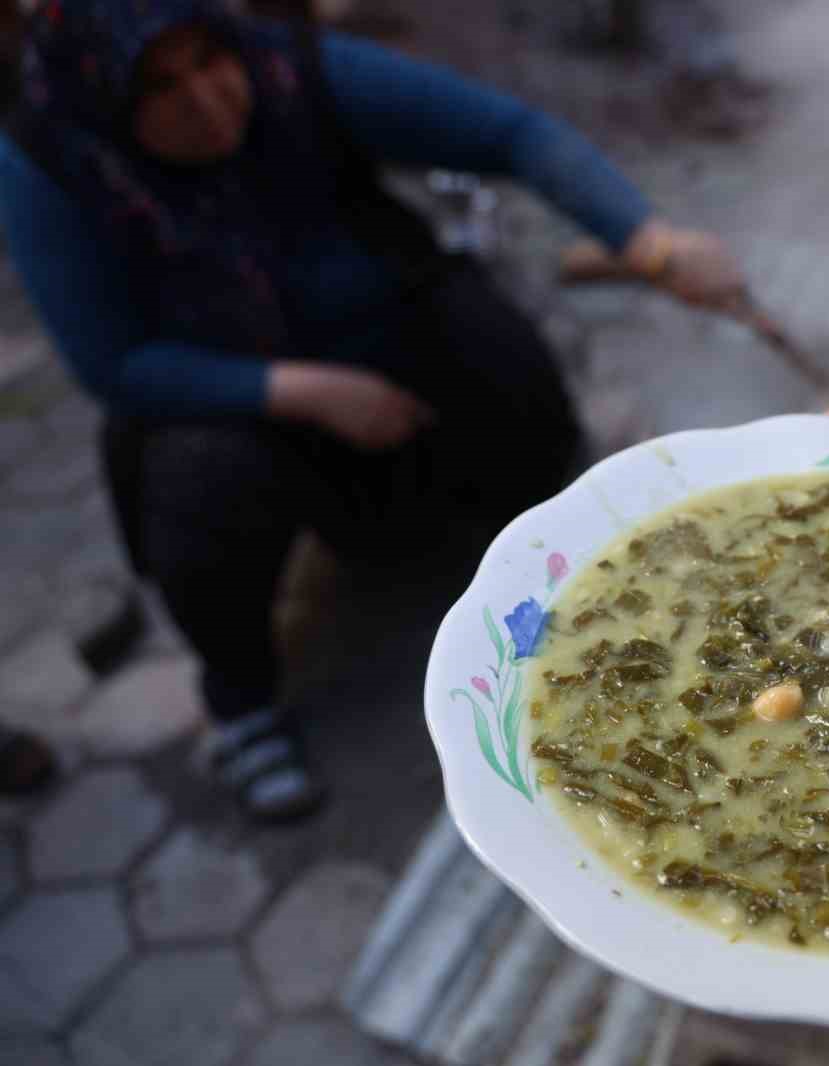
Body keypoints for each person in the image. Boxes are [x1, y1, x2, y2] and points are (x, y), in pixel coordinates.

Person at [0, 0, 748, 822]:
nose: (209, 101)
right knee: (198, 480)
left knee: (503, 364)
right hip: (232, 392)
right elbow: (114, 365)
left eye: (211, 60)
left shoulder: (292, 70)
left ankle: (522, 560)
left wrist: (650, 243)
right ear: (101, 94)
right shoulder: (52, 165)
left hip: (386, 329)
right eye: (161, 87)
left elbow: (509, 134)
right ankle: (241, 702)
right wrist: (311, 392)